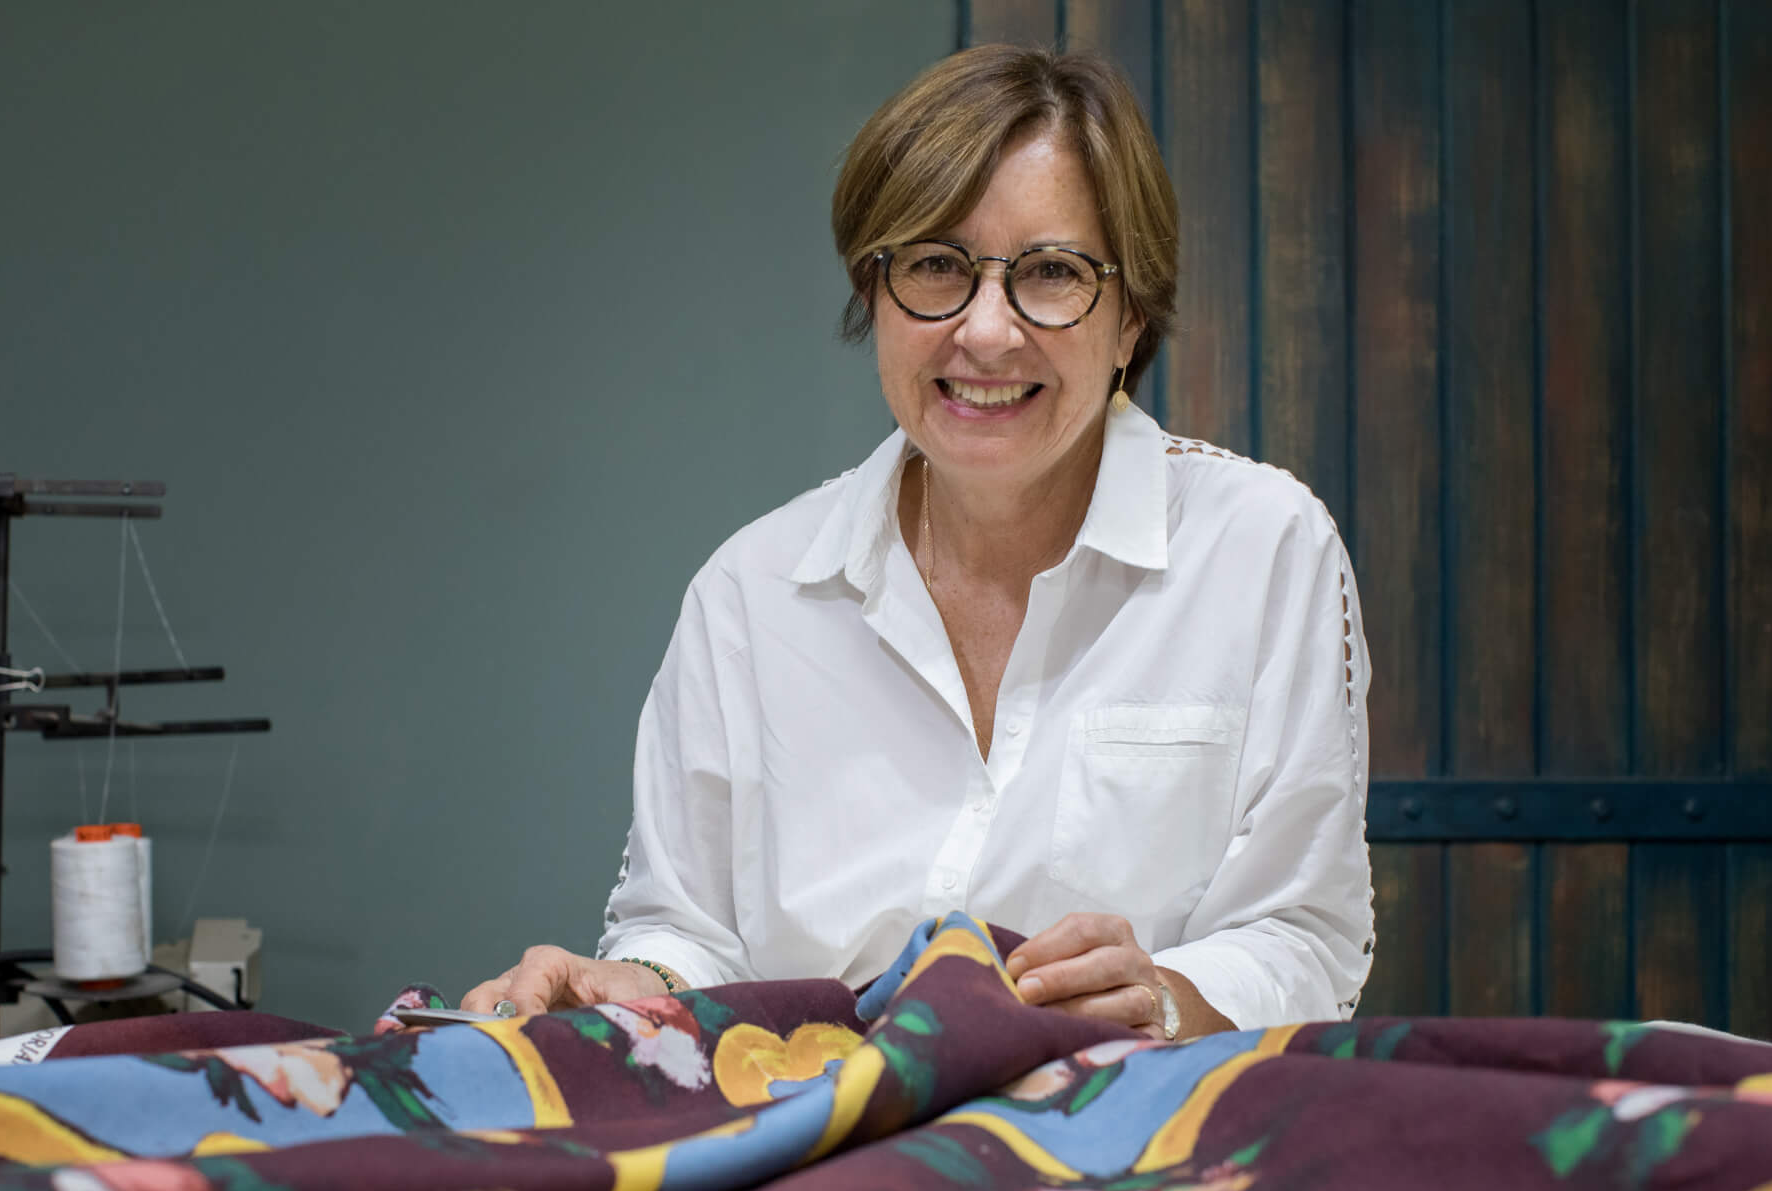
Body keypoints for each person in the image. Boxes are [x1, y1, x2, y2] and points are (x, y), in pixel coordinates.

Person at [462, 45, 1372, 1039]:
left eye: (1052, 272)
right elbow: (685, 931)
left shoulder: (1263, 549)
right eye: (937, 265)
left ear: (1130, 320)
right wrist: (626, 982)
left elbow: (1304, 935)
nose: (986, 333)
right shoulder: (751, 592)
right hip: (818, 1129)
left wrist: (1160, 995)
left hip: (1133, 1123)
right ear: (873, 295)